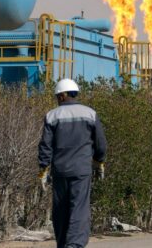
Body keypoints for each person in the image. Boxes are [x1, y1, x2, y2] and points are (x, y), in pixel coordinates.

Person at [38, 78, 107, 248]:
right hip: (81, 171)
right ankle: (74, 244)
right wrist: (99, 162)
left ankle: (63, 244)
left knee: (60, 210)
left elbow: (45, 145)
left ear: (62, 96)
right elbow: (100, 143)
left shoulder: (52, 116)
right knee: (79, 209)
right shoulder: (90, 114)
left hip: (60, 171)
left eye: (57, 97)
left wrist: (43, 170)